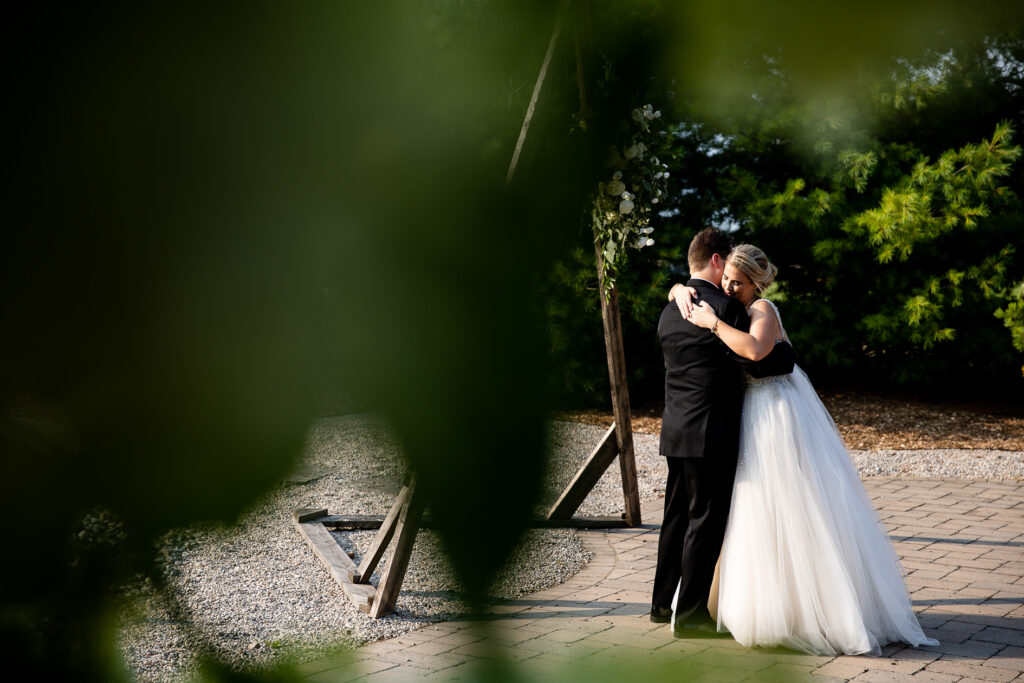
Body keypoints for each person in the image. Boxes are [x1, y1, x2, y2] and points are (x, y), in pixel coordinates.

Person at [671, 244, 938, 655]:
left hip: (774, 413)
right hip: (750, 413)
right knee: (753, 507)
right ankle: (759, 604)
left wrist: (711, 322)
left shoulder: (763, 310)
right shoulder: (735, 306)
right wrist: (677, 288)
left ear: (755, 284)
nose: (728, 288)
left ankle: (812, 610)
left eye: (737, 283)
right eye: (725, 280)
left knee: (790, 505)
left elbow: (757, 351)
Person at [652, 228, 793, 637]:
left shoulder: (672, 309)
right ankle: (692, 615)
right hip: (711, 429)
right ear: (717, 260)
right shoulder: (725, 310)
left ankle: (662, 604)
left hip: (675, 428)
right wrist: (786, 352)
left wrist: (676, 288)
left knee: (675, 518)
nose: (730, 282)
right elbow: (761, 362)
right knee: (705, 521)